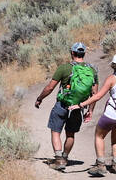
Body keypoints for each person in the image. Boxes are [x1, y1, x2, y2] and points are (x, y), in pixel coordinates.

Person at [34, 42, 97, 170]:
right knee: (70, 134)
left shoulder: (64, 68)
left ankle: (58, 160)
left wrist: (39, 99)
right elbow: (94, 93)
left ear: (72, 53)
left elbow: (50, 87)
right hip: (78, 108)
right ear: (83, 54)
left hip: (62, 105)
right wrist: (90, 110)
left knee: (56, 132)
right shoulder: (92, 70)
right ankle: (65, 157)